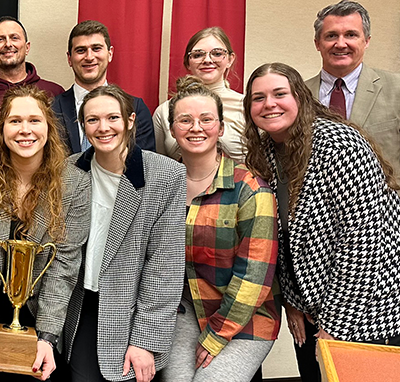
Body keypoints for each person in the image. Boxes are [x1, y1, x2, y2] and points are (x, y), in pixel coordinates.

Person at [244, 62, 400, 381]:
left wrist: (335, 326)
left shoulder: (339, 144)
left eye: (279, 94)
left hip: (368, 309)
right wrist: (293, 302)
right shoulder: (267, 152)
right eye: (258, 98)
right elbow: (282, 239)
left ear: (300, 97)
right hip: (313, 308)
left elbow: (363, 245)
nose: (269, 104)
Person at [0, 85, 91, 381]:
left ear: (48, 127)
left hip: (43, 312)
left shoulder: (75, 185)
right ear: (1, 127)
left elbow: (63, 268)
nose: (25, 130)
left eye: (34, 120)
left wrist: (47, 336)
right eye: (15, 121)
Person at [158, 77, 279, 382]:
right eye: (185, 120)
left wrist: (216, 336)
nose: (195, 127)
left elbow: (254, 277)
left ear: (221, 128)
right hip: (186, 311)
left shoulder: (250, 189)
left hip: (244, 318)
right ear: (173, 130)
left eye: (206, 119)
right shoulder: (161, 184)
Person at [62, 84, 186, 382]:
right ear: (82, 125)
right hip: (82, 308)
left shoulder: (165, 175)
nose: (103, 128)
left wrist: (144, 340)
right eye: (92, 120)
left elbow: (164, 266)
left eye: (112, 118)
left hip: (132, 312)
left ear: (130, 121)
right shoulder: (69, 170)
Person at [305, 0, 400, 175]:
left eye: (351, 35)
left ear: (367, 41)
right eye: (331, 35)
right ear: (317, 43)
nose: (340, 44)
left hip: (383, 200)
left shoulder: (396, 89)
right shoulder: (298, 95)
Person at [52, 20, 155, 154]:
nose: (89, 57)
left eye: (96, 48)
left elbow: (145, 164)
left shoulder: (135, 107)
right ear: (69, 59)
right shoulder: (51, 110)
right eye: (81, 50)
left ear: (110, 53)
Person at [153, 27, 246, 161]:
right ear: (188, 63)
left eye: (217, 53)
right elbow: (159, 165)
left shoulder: (246, 106)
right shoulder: (165, 111)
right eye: (198, 55)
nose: (207, 60)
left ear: (230, 59)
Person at [0, 17, 65, 133]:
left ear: (27, 47)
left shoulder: (54, 92)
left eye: (14, 38)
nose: (8, 44)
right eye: (0, 39)